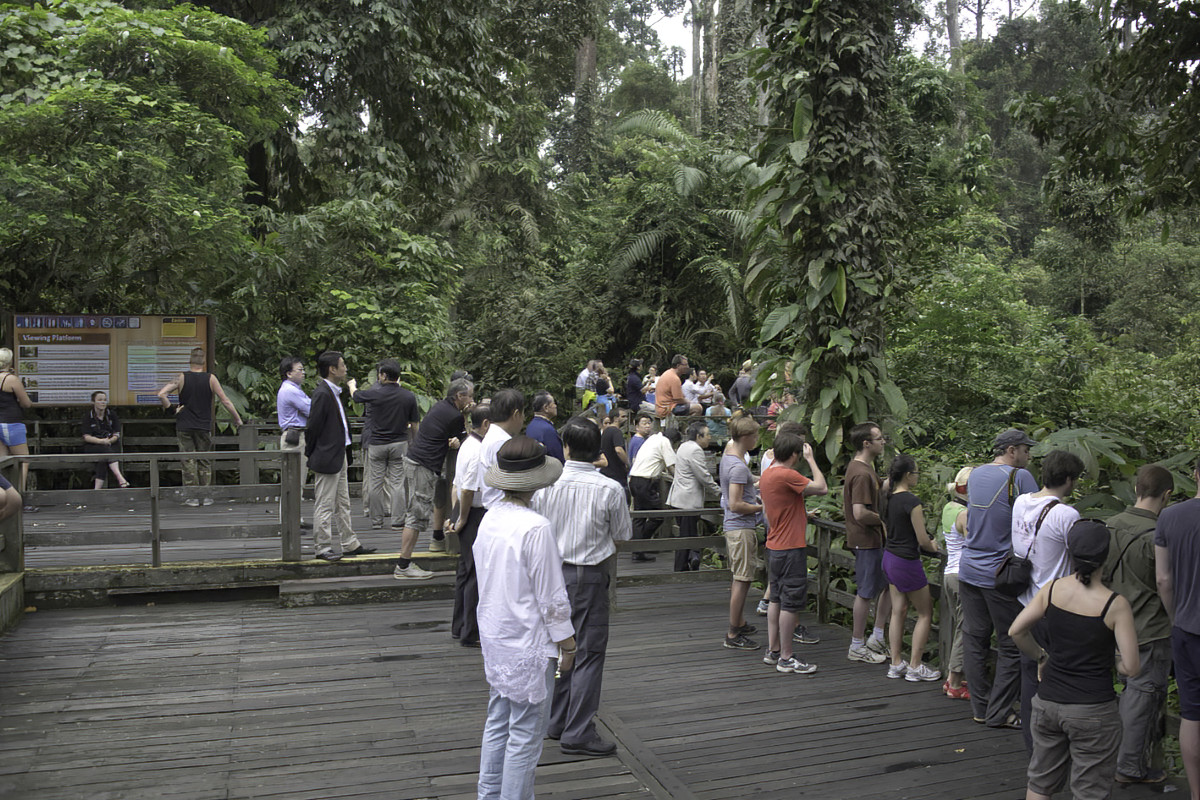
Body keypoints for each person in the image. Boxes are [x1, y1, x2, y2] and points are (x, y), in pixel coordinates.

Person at [475, 436, 575, 799]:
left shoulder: (490, 518)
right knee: (525, 733)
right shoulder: (536, 527)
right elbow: (552, 597)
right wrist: (568, 644)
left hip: (496, 633)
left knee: (498, 720)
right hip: (529, 640)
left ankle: (488, 794)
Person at [1011, 520, 1140, 800]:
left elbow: (1016, 630)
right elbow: (1131, 667)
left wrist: (1041, 656)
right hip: (1093, 709)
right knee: (1089, 791)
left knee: (1040, 783)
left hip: (1048, 703)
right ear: (1105, 556)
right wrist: (1114, 659)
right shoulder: (1115, 604)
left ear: (1070, 552)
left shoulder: (1052, 589)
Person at [533, 419, 631, 758]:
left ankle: (557, 720)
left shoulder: (546, 486)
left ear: (566, 448)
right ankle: (578, 732)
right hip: (589, 575)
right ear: (597, 451)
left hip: (551, 574)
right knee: (588, 652)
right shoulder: (610, 489)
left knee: (559, 646)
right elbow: (622, 535)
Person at [961, 427, 1039, 729]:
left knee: (975, 639)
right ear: (1011, 450)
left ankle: (981, 708)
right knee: (1011, 643)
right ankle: (999, 712)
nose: (1028, 456)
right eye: (1025, 450)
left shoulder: (976, 474)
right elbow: (1037, 518)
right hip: (999, 573)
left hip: (969, 567)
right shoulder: (1019, 477)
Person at [1104, 464, 1174, 785]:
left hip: (1112, 623)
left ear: (1136, 489)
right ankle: (1130, 766)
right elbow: (1165, 581)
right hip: (1149, 627)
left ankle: (1120, 759)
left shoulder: (1110, 524)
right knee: (1142, 696)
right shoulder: (1157, 534)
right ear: (1167, 495)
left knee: (1126, 693)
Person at [1011, 449, 1084, 746]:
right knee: (1057, 679)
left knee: (1030, 676)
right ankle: (1054, 745)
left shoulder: (1021, 502)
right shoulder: (1067, 514)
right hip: (1054, 607)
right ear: (1068, 479)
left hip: (1024, 603)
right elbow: (1081, 556)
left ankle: (1032, 745)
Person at [759, 431, 827, 673]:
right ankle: (786, 657)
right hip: (790, 548)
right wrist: (811, 459)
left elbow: (776, 508)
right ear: (794, 454)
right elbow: (822, 488)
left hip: (774, 545)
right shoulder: (787, 474)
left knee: (775, 598)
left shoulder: (767, 474)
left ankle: (773, 650)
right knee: (790, 603)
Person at [394, 377, 473, 579]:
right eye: (470, 397)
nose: (472, 401)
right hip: (423, 465)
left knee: (416, 512)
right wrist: (465, 420)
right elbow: (468, 439)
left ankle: (407, 562)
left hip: (415, 461)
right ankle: (403, 566)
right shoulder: (454, 415)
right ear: (459, 396)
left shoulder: (440, 407)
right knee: (416, 515)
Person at [1154, 460, 1200, 800]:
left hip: (1186, 627)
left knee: (1192, 715)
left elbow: (1163, 579)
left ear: (1196, 475)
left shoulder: (1170, 517)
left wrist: (1175, 617)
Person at [304, 351, 374, 562]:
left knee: (343, 501)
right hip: (327, 455)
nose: (345, 368)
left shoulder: (334, 392)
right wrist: (313, 452)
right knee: (325, 503)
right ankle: (322, 546)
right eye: (342, 365)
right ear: (332, 369)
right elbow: (312, 427)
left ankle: (349, 542)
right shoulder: (322, 393)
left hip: (340, 452)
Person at [156, 347, 243, 506]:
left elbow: (161, 394)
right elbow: (225, 400)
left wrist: (172, 410)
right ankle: (205, 496)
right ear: (204, 362)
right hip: (203, 425)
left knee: (188, 460)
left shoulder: (181, 377)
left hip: (184, 424)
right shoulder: (211, 378)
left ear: (189, 361)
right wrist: (237, 419)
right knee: (204, 459)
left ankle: (192, 497)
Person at [881, 454, 941, 683]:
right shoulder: (912, 501)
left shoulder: (887, 498)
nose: (917, 477)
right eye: (916, 473)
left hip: (889, 557)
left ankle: (896, 663)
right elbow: (922, 539)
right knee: (925, 613)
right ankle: (915, 665)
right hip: (906, 561)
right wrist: (932, 545)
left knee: (898, 610)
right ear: (907, 475)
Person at [351, 359, 420, 530]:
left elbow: (356, 396)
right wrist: (415, 442)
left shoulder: (375, 393)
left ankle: (376, 520)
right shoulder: (408, 396)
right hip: (399, 443)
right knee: (397, 484)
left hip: (377, 444)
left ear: (383, 376)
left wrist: (352, 385)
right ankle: (397, 520)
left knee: (375, 483)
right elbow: (415, 423)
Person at [844, 422, 892, 664]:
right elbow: (860, 512)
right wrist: (882, 520)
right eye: (879, 438)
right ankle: (857, 644)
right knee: (865, 592)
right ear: (866, 443)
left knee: (889, 584)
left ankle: (877, 636)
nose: (883, 442)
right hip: (866, 540)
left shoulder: (864, 468)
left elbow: (877, 489)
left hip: (873, 540)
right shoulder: (862, 473)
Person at [448, 403, 491, 648]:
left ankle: (460, 626)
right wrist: (462, 518)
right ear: (485, 424)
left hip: (465, 510)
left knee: (465, 571)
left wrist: (454, 514)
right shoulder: (477, 450)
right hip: (473, 513)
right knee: (475, 573)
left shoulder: (467, 444)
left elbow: (456, 485)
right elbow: (467, 489)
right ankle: (470, 631)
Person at [721, 415, 764, 650]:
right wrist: (762, 507)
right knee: (742, 579)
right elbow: (736, 504)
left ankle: (739, 622)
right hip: (740, 526)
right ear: (746, 437)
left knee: (742, 577)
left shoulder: (729, 456)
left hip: (736, 527)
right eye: (755, 436)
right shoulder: (737, 466)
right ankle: (733, 633)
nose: (757, 439)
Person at [666, 422, 720, 572]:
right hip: (687, 500)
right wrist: (718, 491)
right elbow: (703, 475)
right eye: (707, 435)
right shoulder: (695, 450)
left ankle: (688, 561)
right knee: (687, 536)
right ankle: (681, 568)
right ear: (698, 436)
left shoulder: (683, 446)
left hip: (679, 498)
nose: (709, 438)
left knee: (686, 534)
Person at [939, 467, 972, 700]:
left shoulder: (949, 507)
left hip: (949, 572)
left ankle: (952, 677)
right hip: (962, 575)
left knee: (959, 625)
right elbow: (974, 542)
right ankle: (955, 682)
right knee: (965, 628)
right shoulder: (965, 514)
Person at [627, 426, 682, 563]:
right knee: (658, 515)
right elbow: (671, 466)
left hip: (635, 479)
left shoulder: (653, 438)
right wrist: (681, 480)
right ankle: (640, 546)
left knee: (639, 517)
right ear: (673, 441)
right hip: (645, 482)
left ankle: (638, 548)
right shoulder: (665, 442)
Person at [0, 347, 32, 496]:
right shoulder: (11, 379)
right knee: (22, 460)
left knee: (3, 462)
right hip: (11, 423)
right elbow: (26, 403)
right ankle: (20, 496)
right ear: (9, 361)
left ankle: (6, 497)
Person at [80, 391, 129, 489]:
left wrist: (110, 441)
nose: (103, 402)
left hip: (111, 444)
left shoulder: (112, 414)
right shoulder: (88, 416)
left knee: (103, 459)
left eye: (105, 400)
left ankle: (97, 490)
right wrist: (101, 441)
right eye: (100, 400)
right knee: (104, 451)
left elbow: (117, 434)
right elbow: (86, 437)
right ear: (93, 402)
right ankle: (119, 477)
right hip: (94, 445)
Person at [654, 354, 701, 420]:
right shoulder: (674, 378)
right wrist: (689, 402)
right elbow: (678, 399)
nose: (687, 367)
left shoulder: (668, 373)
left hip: (661, 407)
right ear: (678, 366)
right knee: (698, 408)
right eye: (685, 365)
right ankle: (685, 425)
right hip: (667, 409)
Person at [526, 391, 564, 463]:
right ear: (546, 408)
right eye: (553, 403)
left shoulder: (531, 426)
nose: (555, 406)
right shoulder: (547, 430)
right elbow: (558, 458)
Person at [598, 408, 629, 491]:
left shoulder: (605, 431)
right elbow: (619, 450)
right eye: (623, 416)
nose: (626, 419)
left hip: (605, 472)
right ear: (615, 418)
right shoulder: (616, 432)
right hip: (616, 474)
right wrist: (628, 463)